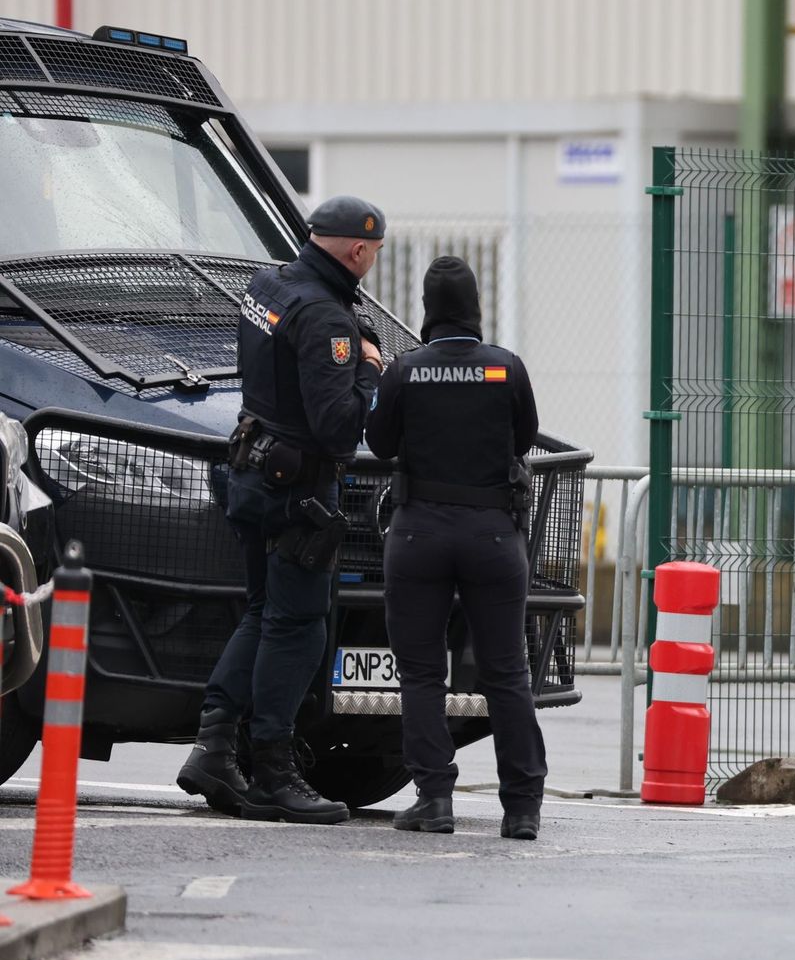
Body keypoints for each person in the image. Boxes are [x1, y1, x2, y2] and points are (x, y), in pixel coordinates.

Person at [176, 195, 386, 825]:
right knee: (299, 627)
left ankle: (214, 748)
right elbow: (340, 428)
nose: (371, 262)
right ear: (357, 250)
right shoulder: (326, 318)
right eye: (372, 253)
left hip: (253, 471)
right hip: (299, 493)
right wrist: (369, 371)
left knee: (264, 612)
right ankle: (273, 770)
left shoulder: (268, 284)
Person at [364, 256, 547, 840]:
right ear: (474, 307)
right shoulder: (505, 369)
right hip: (493, 534)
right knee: (507, 673)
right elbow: (523, 439)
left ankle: (435, 799)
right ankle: (521, 808)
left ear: (427, 309)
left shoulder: (404, 369)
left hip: (419, 534)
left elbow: (380, 441)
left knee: (421, 674)